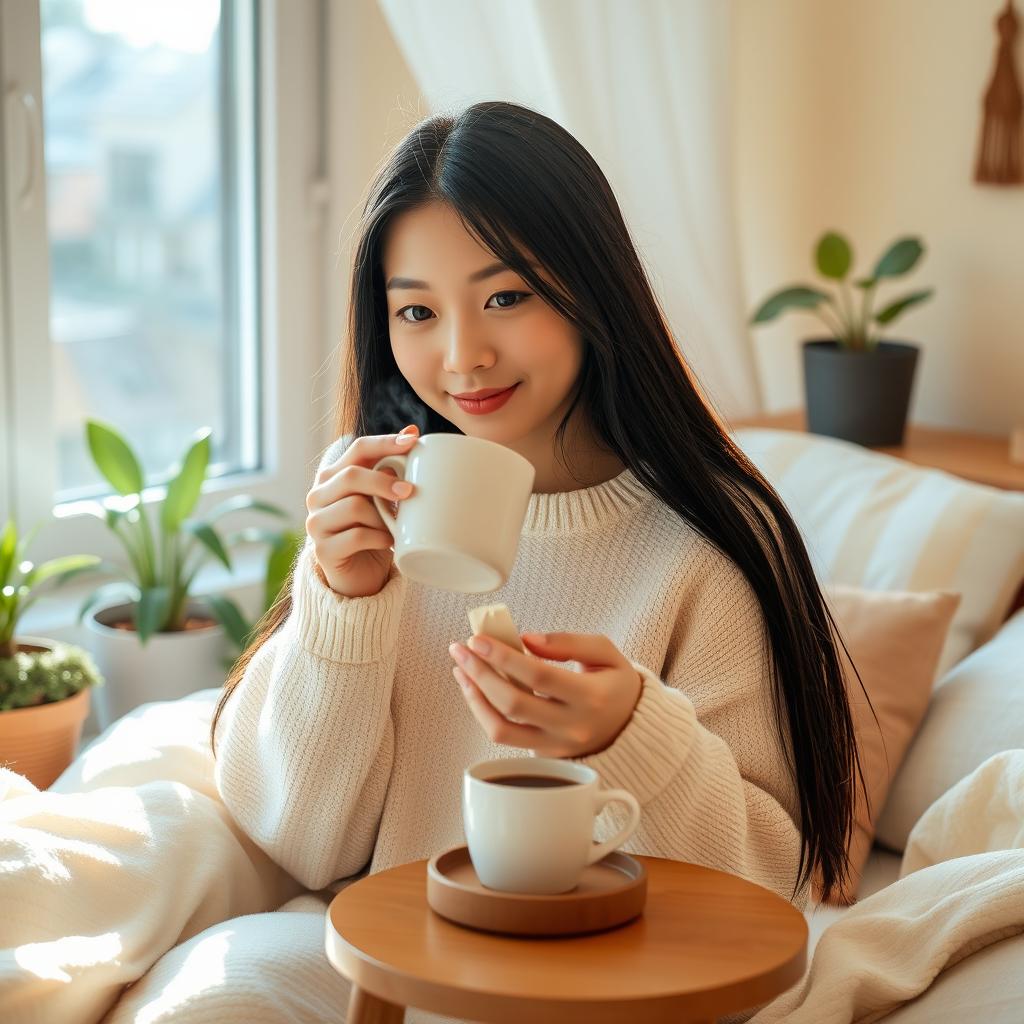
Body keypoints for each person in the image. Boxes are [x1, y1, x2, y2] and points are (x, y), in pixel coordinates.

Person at [101, 99, 870, 1023]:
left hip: (605, 985)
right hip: (389, 966)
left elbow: (761, 889)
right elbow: (305, 845)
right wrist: (342, 607)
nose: (463, 356)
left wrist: (632, 733)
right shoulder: (378, 523)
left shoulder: (709, 545)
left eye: (507, 296)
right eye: (417, 311)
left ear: (593, 290)